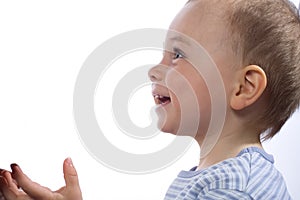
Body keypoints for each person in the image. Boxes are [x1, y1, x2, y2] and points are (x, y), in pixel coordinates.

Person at [1, 0, 299, 199]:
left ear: (244, 88)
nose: (155, 69)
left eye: (178, 55)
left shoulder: (233, 187)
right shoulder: (216, 179)